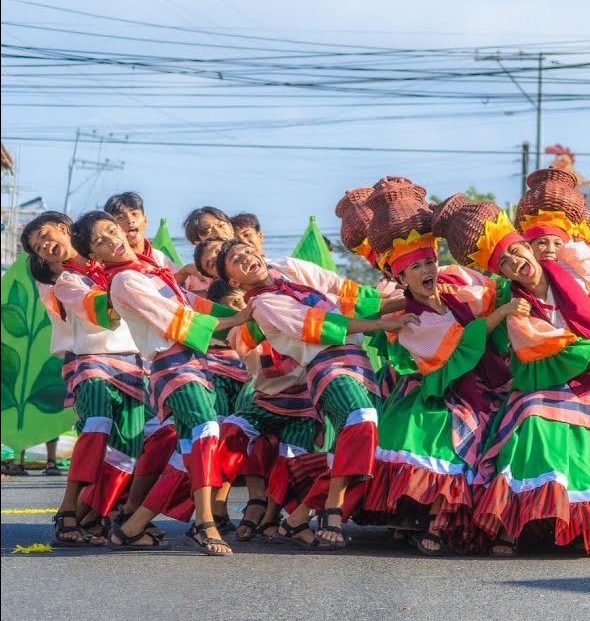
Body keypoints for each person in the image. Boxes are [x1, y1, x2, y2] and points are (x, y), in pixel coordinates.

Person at [435, 198, 590, 555]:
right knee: (532, 421)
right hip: (551, 376)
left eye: (516, 252)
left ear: (528, 248)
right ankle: (514, 524)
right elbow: (571, 352)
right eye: (505, 263)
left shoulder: (574, 272)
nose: (516, 262)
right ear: (503, 274)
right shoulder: (518, 313)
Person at [70, 211, 250, 555]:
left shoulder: (149, 270)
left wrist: (247, 314)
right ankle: (205, 523)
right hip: (174, 366)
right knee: (206, 431)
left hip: (192, 363)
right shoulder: (124, 281)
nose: (113, 239)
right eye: (100, 241)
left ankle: (132, 527)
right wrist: (242, 317)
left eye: (112, 230)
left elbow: (194, 304)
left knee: (186, 453)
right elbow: (174, 321)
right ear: (94, 256)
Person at [215, 239, 408, 550]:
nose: (246, 258)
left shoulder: (290, 267)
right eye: (236, 260)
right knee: (361, 418)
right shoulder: (264, 305)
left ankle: (297, 518)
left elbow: (348, 294)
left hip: (358, 361)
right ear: (235, 281)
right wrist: (386, 322)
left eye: (247, 251)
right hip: (324, 365)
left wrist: (408, 299)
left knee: (361, 440)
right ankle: (328, 510)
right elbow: (320, 327)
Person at [359, 179, 517, 555]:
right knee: (441, 426)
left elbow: (493, 292)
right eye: (416, 267)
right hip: (443, 388)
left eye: (430, 261)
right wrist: (499, 315)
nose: (427, 269)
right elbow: (457, 343)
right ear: (400, 279)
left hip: (487, 382)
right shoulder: (409, 320)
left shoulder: (459, 292)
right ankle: (432, 515)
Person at [23, 211, 146, 546]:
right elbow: (105, 313)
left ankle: (95, 514)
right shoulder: (65, 282)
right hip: (90, 361)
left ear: (64, 229)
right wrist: (135, 288)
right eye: (38, 247)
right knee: (97, 427)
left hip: (135, 365)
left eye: (47, 237)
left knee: (129, 445)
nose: (46, 247)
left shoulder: (115, 264)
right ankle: (67, 511)